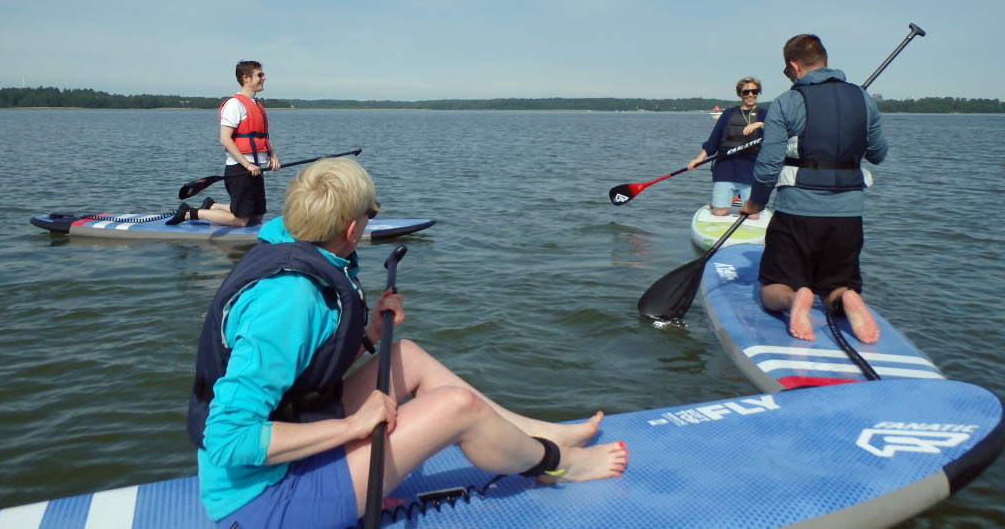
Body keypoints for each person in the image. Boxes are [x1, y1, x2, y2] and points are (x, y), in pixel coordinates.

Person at [186, 157, 629, 529]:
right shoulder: (289, 299)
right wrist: (353, 428)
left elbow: (304, 372)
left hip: (285, 457)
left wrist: (369, 337)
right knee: (458, 408)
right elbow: (228, 438)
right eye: (370, 214)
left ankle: (540, 434)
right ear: (352, 228)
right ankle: (558, 464)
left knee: (407, 356)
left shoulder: (290, 252)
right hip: (263, 504)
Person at [740, 34, 888, 344]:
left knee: (772, 289)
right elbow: (878, 154)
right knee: (835, 284)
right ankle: (846, 296)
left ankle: (796, 299)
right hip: (848, 215)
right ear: (826, 62)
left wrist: (755, 203)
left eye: (787, 71)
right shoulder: (863, 99)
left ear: (794, 67)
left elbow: (768, 166)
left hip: (797, 212)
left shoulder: (787, 101)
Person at [168, 60, 280, 227]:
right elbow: (225, 139)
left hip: (256, 169)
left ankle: (212, 206)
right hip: (240, 169)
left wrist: (272, 156)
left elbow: (261, 138)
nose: (264, 78)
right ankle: (189, 213)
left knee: (257, 216)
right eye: (260, 75)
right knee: (241, 221)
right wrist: (247, 164)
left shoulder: (256, 104)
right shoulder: (234, 104)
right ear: (246, 78)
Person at [688, 77, 766, 218]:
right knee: (720, 212)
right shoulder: (728, 114)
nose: (750, 94)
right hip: (726, 168)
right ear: (740, 94)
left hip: (750, 171)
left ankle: (738, 199)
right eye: (746, 91)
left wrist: (760, 124)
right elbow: (713, 139)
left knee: (753, 216)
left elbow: (777, 132)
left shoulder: (764, 115)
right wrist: (699, 158)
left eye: (754, 91)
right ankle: (720, 201)